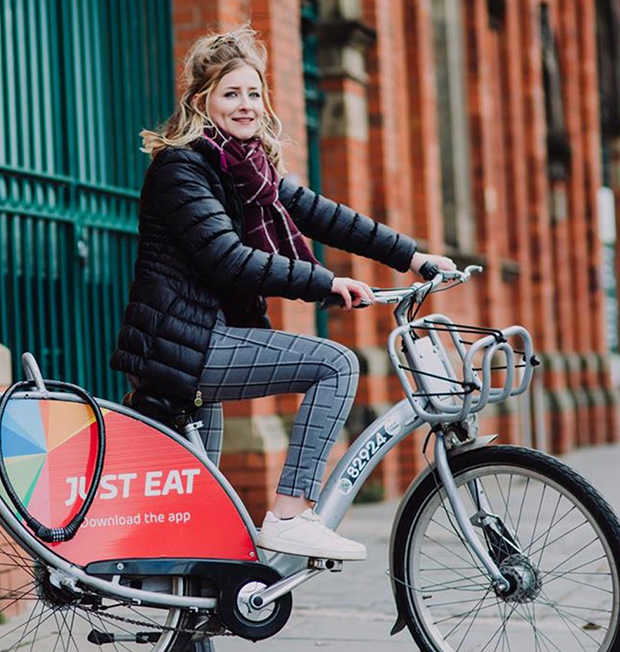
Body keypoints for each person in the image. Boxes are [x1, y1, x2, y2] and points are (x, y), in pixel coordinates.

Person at [110, 26, 454, 561]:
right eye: (231, 94)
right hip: (184, 347)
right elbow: (228, 258)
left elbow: (327, 217)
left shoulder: (252, 172)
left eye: (253, 93)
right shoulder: (182, 168)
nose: (246, 105)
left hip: (203, 343)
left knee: (193, 525)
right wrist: (325, 283)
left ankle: (180, 625)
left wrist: (411, 256)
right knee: (336, 366)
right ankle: (291, 515)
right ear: (202, 102)